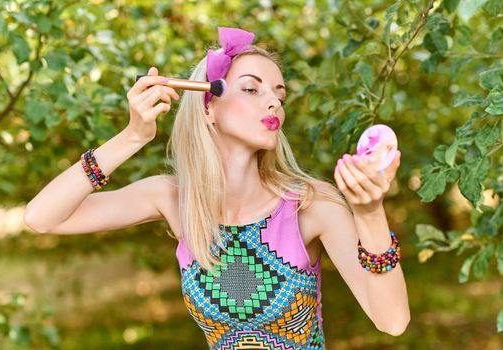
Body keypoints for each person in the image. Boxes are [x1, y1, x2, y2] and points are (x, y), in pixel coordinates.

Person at [24, 27, 410, 349]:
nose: (274, 102)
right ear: (208, 107)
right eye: (252, 89)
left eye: (279, 92)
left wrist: (370, 212)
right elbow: (41, 218)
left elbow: (392, 321)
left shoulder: (310, 207)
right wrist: (130, 137)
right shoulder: (174, 199)